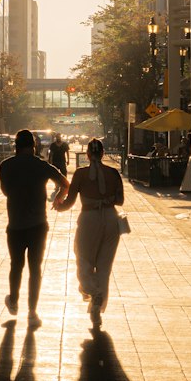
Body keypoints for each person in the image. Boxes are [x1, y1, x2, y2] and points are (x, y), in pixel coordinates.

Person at [0, 128, 68, 327]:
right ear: (34, 146)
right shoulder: (42, 166)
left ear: (16, 146)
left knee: (16, 265)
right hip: (38, 224)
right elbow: (65, 183)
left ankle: (13, 301)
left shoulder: (6, 166)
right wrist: (58, 199)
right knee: (35, 268)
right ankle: (32, 311)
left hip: (15, 224)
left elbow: (5, 191)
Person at [54, 138, 125, 328]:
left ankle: (93, 291)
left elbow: (69, 202)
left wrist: (58, 207)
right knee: (104, 266)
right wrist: (106, 199)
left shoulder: (81, 174)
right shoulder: (113, 173)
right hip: (111, 219)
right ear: (102, 153)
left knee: (83, 259)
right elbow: (120, 200)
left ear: (87, 154)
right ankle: (97, 307)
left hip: (89, 218)